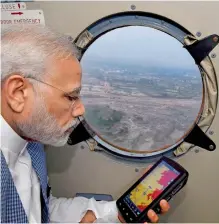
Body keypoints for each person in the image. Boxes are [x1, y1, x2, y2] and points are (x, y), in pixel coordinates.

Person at [1, 25, 170, 223]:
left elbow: (38, 209)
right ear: (18, 93)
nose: (81, 109)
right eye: (71, 96)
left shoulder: (30, 141)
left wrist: (116, 214)